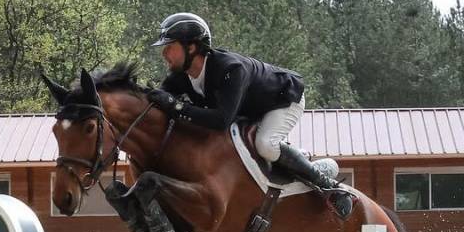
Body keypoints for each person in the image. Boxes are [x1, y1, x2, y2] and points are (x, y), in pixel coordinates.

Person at [146, 12, 353, 219]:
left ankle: (329, 186)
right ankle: (297, 160)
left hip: (283, 99)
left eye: (169, 46)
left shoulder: (230, 69)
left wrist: (177, 107)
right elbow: (162, 101)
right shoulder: (179, 76)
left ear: (191, 47)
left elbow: (220, 121)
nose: (164, 53)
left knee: (265, 144)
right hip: (249, 108)